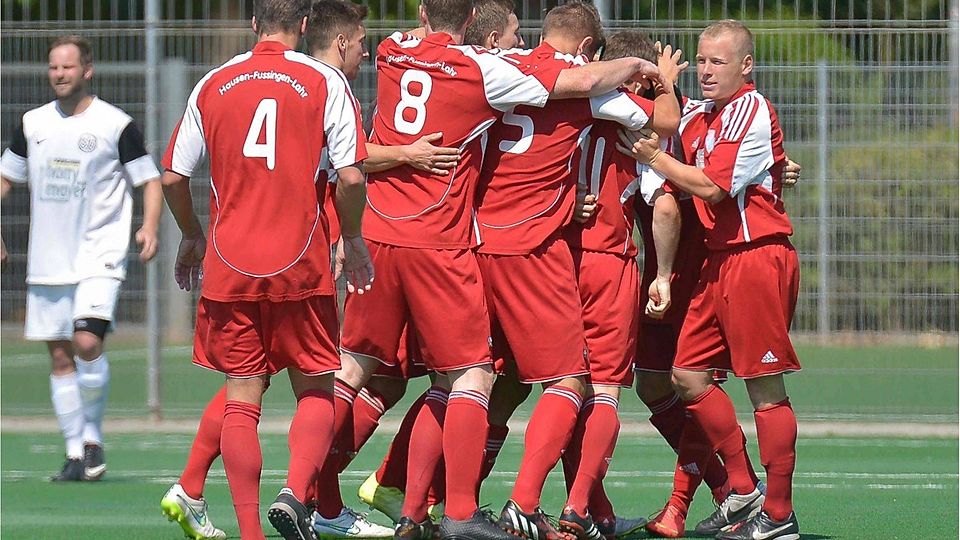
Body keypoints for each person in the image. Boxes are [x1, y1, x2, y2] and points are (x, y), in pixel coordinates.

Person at [335, 0, 659, 538]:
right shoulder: (516, 76)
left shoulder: (393, 50)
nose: (514, 43)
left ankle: (376, 497)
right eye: (509, 35)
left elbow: (362, 148)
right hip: (524, 249)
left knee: (416, 377)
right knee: (569, 382)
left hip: (431, 235)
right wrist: (653, 77)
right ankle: (531, 506)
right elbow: (659, 128)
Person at [159, 0, 373, 538]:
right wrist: (352, 237)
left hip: (230, 261)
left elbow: (171, 176)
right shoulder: (324, 79)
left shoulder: (214, 81)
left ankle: (250, 530)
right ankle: (297, 495)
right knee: (318, 387)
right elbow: (350, 178)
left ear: (253, 24)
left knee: (241, 398)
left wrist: (190, 234)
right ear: (303, 25)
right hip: (300, 260)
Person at [622, 19, 802, 540]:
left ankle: (779, 514)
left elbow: (712, 188)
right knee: (688, 375)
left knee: (765, 389)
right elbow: (671, 123)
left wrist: (654, 156)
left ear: (746, 66)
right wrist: (663, 82)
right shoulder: (702, 113)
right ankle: (743, 488)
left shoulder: (751, 106)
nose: (705, 71)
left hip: (756, 256)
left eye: (717, 62)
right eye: (700, 61)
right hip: (719, 264)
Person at [0, 35, 162, 483]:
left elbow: (149, 180)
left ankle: (92, 437)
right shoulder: (32, 124)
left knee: (87, 342)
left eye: (68, 67)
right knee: (60, 357)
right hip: (48, 258)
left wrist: (148, 226)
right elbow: (5, 178)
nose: (59, 74)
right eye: (54, 67)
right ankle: (76, 453)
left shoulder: (115, 124)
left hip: (100, 253)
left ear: (87, 70)